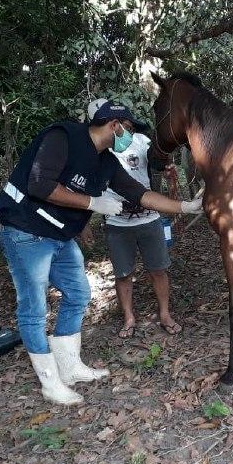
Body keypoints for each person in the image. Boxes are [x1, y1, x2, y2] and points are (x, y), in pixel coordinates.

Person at [0, 102, 203, 405]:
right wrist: (93, 204)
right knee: (34, 308)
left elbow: (139, 193)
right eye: (128, 129)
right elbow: (39, 183)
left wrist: (185, 207)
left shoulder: (105, 162)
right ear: (114, 124)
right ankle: (50, 383)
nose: (129, 136)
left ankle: (69, 367)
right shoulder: (63, 136)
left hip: (60, 235)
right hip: (24, 230)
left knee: (78, 294)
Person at [88, 99, 181, 337]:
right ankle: (129, 317)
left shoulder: (142, 142)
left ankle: (165, 314)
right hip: (118, 222)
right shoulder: (99, 148)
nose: (124, 132)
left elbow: (159, 162)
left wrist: (169, 172)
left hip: (148, 218)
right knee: (123, 273)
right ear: (111, 125)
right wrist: (86, 222)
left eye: (128, 127)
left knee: (158, 269)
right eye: (120, 127)